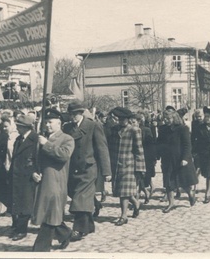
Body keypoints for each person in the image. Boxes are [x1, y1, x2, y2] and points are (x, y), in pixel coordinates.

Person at [63, 101, 111, 241]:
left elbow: (102, 149)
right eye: (70, 114)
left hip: (88, 168)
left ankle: (79, 229)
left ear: (81, 113)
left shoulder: (93, 126)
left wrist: (106, 171)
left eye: (74, 114)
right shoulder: (67, 128)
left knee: (80, 198)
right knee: (75, 193)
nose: (72, 117)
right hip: (72, 169)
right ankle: (92, 213)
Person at [32, 108, 75, 252]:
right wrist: (35, 172)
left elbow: (63, 155)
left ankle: (40, 249)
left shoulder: (67, 138)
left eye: (50, 122)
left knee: (49, 213)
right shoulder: (43, 137)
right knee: (50, 212)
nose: (47, 125)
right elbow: (35, 159)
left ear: (59, 123)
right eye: (46, 122)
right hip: (43, 181)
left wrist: (47, 144)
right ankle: (65, 233)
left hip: (56, 182)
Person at [108, 107, 145, 225]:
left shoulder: (134, 130)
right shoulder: (114, 130)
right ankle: (136, 203)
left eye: (123, 119)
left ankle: (123, 216)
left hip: (129, 164)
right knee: (121, 190)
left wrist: (140, 168)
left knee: (124, 192)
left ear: (128, 119)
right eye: (119, 119)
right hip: (116, 164)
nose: (121, 121)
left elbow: (139, 150)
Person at [157, 108, 198, 213]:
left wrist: (185, 158)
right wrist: (158, 154)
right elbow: (159, 143)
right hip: (167, 159)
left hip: (179, 158)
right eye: (164, 118)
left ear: (174, 118)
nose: (166, 120)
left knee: (183, 182)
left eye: (168, 118)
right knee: (168, 181)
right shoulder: (162, 129)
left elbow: (187, 145)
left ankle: (190, 193)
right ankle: (171, 203)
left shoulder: (182, 129)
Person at [7, 115, 38, 241]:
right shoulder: (19, 139)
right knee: (18, 202)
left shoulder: (35, 139)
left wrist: (35, 172)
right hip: (17, 175)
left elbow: (38, 158)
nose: (17, 128)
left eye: (19, 126)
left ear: (26, 127)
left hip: (28, 176)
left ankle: (22, 230)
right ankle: (18, 227)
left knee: (25, 204)